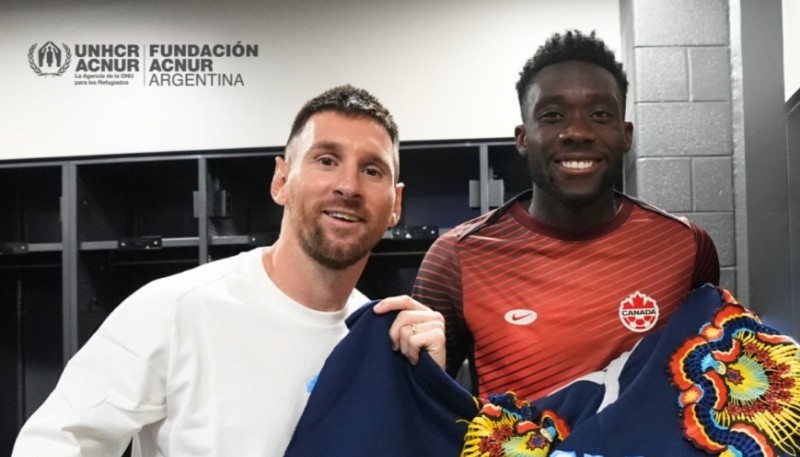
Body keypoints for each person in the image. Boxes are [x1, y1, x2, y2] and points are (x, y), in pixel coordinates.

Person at [12, 84, 445, 457]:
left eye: (372, 170)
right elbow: (56, 441)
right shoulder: (177, 309)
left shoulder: (383, 344)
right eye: (326, 160)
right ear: (281, 180)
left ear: (396, 205)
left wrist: (427, 391)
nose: (348, 186)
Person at [413, 30, 720, 401]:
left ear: (626, 135)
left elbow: (707, 385)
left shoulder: (686, 246)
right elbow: (426, 407)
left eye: (600, 114)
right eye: (553, 115)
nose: (577, 132)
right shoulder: (455, 258)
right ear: (523, 138)